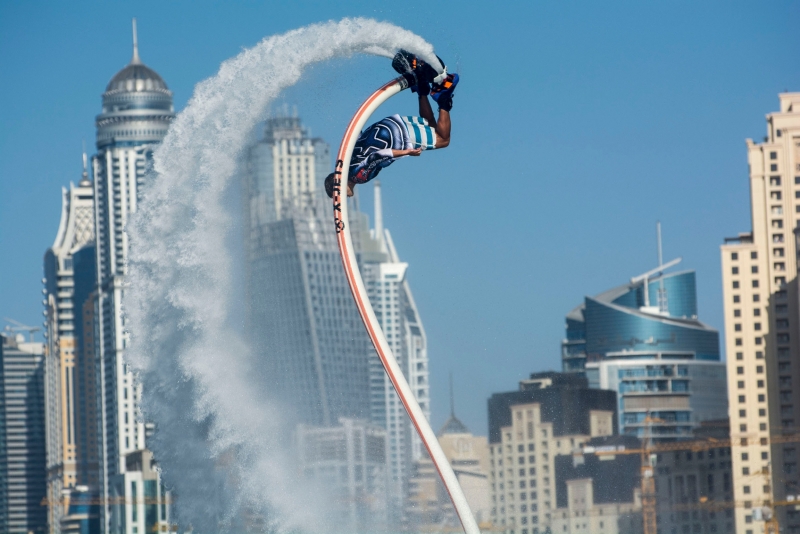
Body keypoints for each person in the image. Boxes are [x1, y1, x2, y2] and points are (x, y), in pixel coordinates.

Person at [325, 51, 459, 198]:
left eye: (337, 196)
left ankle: (443, 99)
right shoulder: (346, 161)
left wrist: (407, 152)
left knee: (443, 140)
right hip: (386, 126)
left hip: (397, 136)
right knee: (432, 128)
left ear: (338, 187)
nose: (341, 199)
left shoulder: (358, 176)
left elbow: (377, 156)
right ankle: (421, 86)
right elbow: (356, 134)